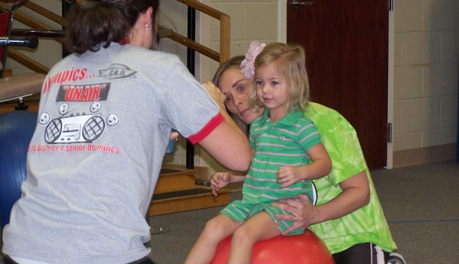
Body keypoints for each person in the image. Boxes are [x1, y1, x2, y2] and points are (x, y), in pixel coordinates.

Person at [1, 1, 252, 264]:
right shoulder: (161, 69)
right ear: (148, 17)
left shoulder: (60, 71)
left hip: (23, 248)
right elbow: (240, 158)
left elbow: (81, 143)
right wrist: (216, 104)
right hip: (103, 252)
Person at [203, 42, 400, 264]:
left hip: (349, 237)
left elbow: (360, 192)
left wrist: (314, 215)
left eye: (241, 87)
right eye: (227, 98)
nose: (236, 102)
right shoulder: (262, 129)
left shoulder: (319, 121)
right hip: (300, 237)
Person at [185, 42, 332, 264]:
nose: (265, 90)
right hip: (253, 202)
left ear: (294, 85)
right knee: (212, 228)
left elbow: (324, 163)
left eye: (274, 83)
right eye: (261, 83)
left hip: (284, 204)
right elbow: (255, 164)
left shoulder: (302, 126)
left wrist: (301, 172)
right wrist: (230, 177)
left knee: (243, 235)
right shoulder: (259, 127)